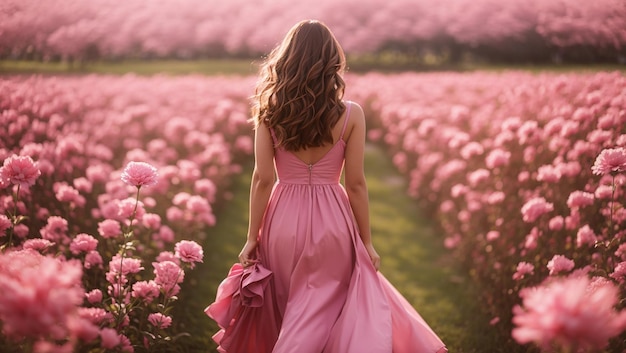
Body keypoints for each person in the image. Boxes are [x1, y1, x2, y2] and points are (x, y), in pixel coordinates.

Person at [205, 19, 447, 353]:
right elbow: (357, 184)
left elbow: (263, 179)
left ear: (286, 61)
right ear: (332, 62)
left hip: (282, 220)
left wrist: (251, 237)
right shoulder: (352, 114)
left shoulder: (269, 112)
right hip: (333, 221)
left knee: (287, 308)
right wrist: (367, 241)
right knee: (323, 310)